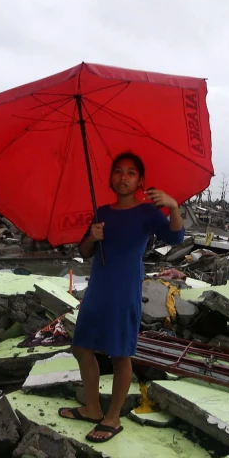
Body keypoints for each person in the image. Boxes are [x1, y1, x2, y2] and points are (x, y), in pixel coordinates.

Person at [59, 153, 185, 442]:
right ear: (111, 178)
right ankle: (92, 408)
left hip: (124, 289)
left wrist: (173, 207)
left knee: (120, 354)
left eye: (130, 173)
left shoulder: (146, 213)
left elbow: (175, 238)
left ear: (140, 181)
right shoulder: (101, 211)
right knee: (81, 347)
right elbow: (85, 252)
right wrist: (92, 235)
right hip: (98, 288)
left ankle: (112, 417)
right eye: (118, 172)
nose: (123, 177)